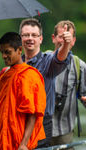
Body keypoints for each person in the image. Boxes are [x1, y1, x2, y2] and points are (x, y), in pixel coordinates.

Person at [0, 32, 46, 150]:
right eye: (2, 52)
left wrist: (24, 144)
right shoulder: (4, 74)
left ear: (19, 50)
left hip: (18, 140)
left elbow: (32, 114)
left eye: (7, 52)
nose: (3, 56)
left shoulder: (29, 75)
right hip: (1, 138)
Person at [19, 18, 72, 147]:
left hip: (41, 124)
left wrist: (65, 45)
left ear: (41, 39)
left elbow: (60, 59)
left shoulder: (48, 62)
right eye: (26, 35)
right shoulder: (16, 64)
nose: (30, 38)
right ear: (21, 38)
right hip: (19, 123)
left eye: (34, 35)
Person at [50, 20, 86, 148]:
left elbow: (83, 96)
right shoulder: (42, 60)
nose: (64, 40)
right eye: (61, 36)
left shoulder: (80, 66)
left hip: (64, 131)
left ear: (74, 41)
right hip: (40, 129)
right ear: (53, 38)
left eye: (68, 37)